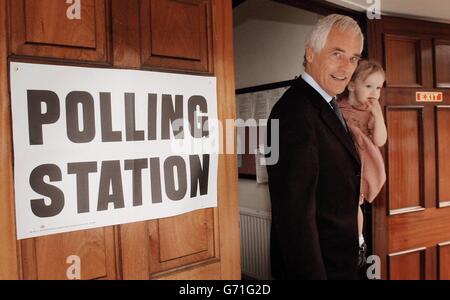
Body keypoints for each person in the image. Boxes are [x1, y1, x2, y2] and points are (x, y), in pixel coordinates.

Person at [266, 14, 364, 279]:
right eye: (337, 54)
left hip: (340, 262)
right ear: (310, 54)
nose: (346, 67)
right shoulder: (293, 112)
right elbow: (294, 217)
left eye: (354, 58)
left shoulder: (328, 104)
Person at [337, 60, 387, 270]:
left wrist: (378, 116)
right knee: (345, 202)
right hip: (344, 161)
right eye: (369, 86)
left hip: (365, 161)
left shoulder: (371, 111)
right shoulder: (338, 107)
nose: (374, 92)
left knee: (355, 202)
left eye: (378, 87)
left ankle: (358, 241)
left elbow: (380, 140)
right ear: (351, 85)